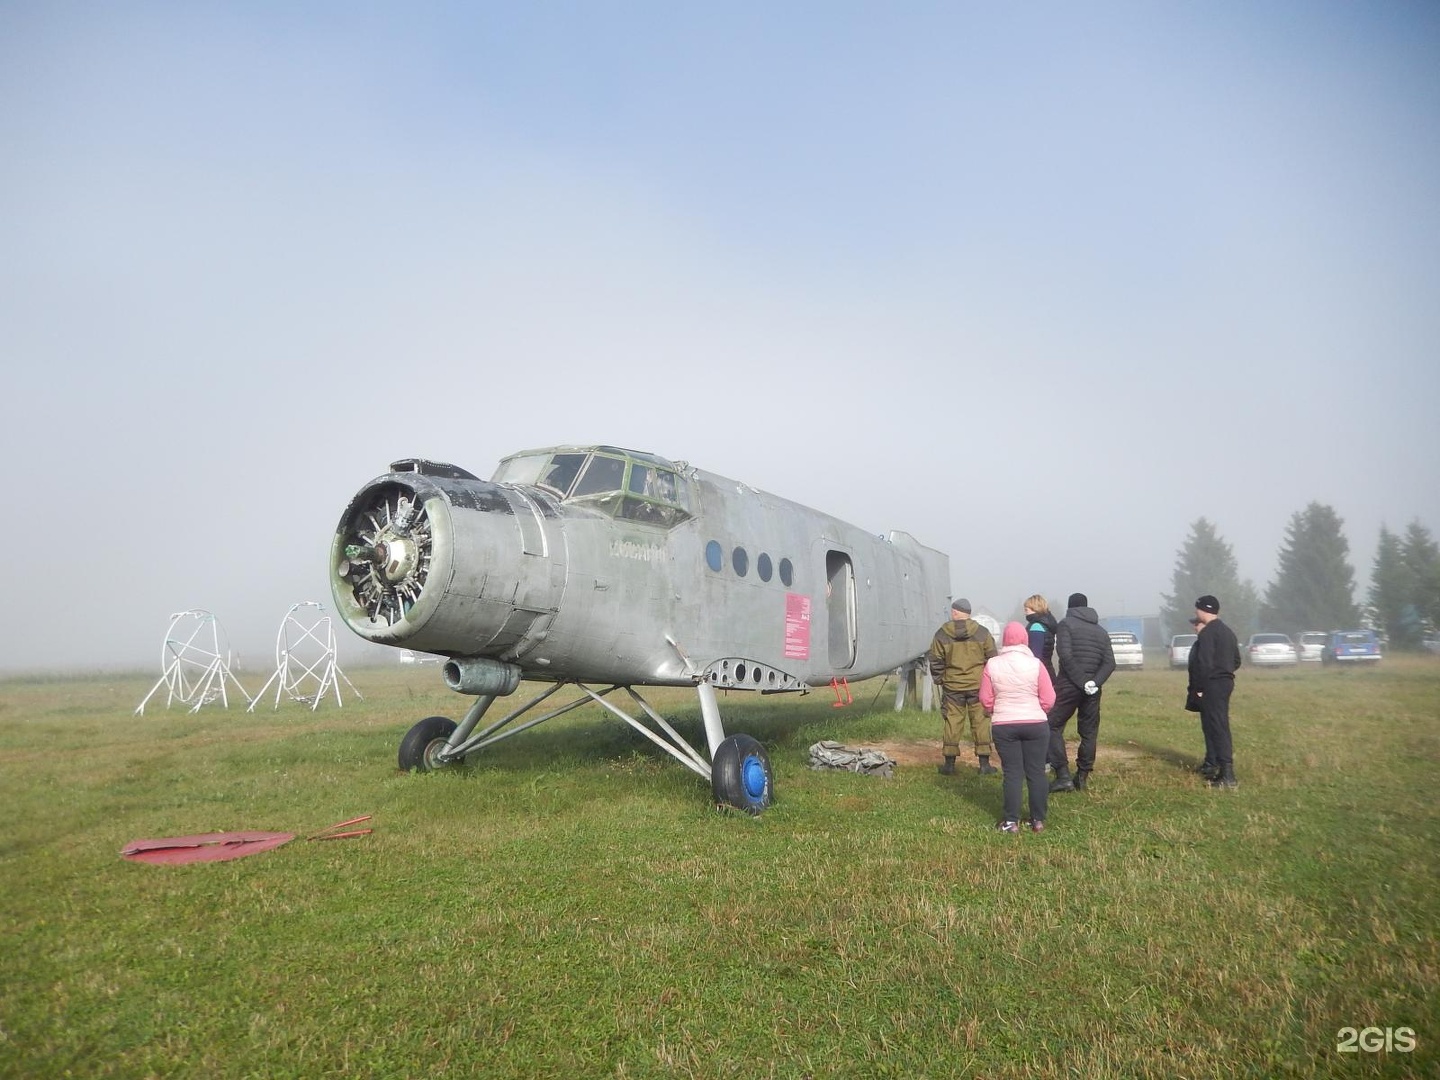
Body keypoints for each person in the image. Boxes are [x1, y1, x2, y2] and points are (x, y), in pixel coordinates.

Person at [980, 621, 1056, 833]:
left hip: (1004, 724)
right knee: (1037, 772)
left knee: (1012, 773)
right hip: (1035, 723)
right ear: (1025, 639)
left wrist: (995, 709)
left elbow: (985, 698)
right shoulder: (1036, 664)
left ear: (1004, 640)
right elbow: (1049, 698)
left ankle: (1011, 821)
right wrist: (1039, 710)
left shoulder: (992, 664)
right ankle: (1037, 820)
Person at [1047, 592, 1116, 792]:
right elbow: (1110, 662)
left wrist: (1082, 681)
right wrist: (1094, 683)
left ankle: (1063, 775)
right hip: (1093, 690)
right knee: (1089, 732)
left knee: (1052, 725)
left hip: (1069, 685)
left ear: (1070, 607)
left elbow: (1065, 655)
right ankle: (1082, 776)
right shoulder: (1101, 631)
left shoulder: (1066, 624)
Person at [928, 598, 998, 775]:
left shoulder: (941, 634)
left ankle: (949, 765)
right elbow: (992, 659)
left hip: (952, 687)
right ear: (969, 613)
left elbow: (935, 660)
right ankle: (984, 765)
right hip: (978, 685)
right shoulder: (983, 633)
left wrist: (939, 679)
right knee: (981, 722)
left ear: (954, 612)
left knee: (952, 723)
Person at [1188, 594, 1242, 788]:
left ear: (1203, 610)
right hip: (1225, 682)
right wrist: (1225, 672)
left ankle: (1227, 775)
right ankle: (1220, 769)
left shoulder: (1208, 632)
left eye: (1197, 609)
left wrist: (1201, 688)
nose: (1196, 612)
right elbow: (1236, 660)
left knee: (1217, 726)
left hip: (1212, 684)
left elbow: (1204, 662)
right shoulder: (1227, 631)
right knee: (1219, 724)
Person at [1023, 594, 1059, 675]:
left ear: (1035, 609)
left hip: (1039, 673)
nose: (1025, 613)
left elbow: (1036, 655)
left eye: (1026, 610)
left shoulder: (1036, 627)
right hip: (1047, 669)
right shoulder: (1047, 624)